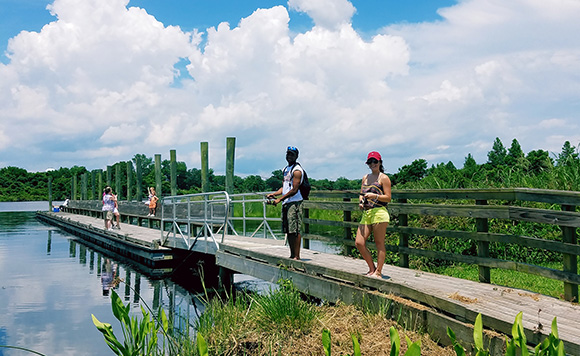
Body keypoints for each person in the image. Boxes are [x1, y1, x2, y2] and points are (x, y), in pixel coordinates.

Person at [355, 151, 392, 278]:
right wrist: (361, 202)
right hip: (367, 213)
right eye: (370, 162)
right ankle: (372, 268)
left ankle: (378, 272)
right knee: (359, 242)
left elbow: (388, 198)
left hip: (379, 213)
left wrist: (375, 195)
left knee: (379, 243)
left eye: (375, 161)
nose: (372, 164)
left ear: (380, 162)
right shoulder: (365, 178)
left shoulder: (384, 178)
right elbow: (361, 194)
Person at [267, 146, 304, 260]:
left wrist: (280, 199)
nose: (289, 156)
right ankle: (292, 254)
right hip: (286, 202)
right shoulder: (286, 169)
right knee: (288, 230)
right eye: (288, 154)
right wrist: (274, 194)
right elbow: (284, 187)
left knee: (295, 229)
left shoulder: (297, 171)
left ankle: (297, 256)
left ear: (296, 156)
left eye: (292, 154)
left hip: (295, 202)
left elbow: (294, 190)